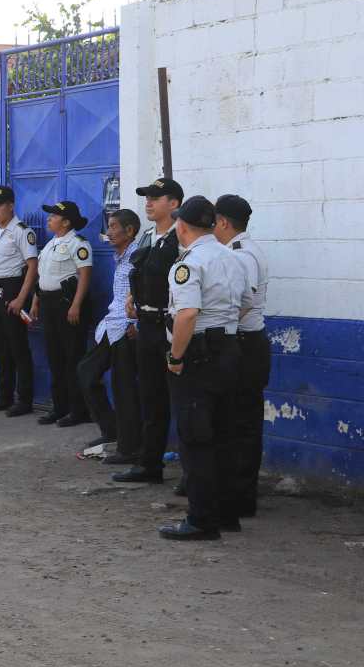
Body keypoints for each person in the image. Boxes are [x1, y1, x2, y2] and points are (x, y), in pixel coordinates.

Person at [156, 196, 248, 540]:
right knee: (225, 436)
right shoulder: (232, 257)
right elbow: (247, 304)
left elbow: (187, 314)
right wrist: (221, 329)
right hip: (228, 350)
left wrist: (177, 357)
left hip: (197, 357)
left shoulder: (189, 263)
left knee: (196, 439)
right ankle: (226, 514)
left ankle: (201, 520)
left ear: (181, 226)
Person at [114, 178, 184, 485]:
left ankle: (190, 474)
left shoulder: (182, 237)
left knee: (181, 400)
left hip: (171, 327)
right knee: (151, 398)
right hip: (146, 325)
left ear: (174, 203)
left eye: (157, 197)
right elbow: (137, 271)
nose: (149, 202)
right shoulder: (147, 237)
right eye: (147, 197)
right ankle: (149, 464)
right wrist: (133, 298)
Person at [213, 194, 270, 520]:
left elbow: (244, 299)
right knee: (239, 422)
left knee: (242, 424)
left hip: (245, 344)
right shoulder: (242, 251)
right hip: (247, 343)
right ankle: (238, 495)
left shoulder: (242, 255)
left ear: (223, 222)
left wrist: (220, 325)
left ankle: (240, 498)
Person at [77, 209, 142, 461]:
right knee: (86, 372)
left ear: (130, 231)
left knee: (125, 389)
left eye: (114, 226)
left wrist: (137, 324)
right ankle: (112, 430)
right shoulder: (121, 256)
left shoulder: (137, 256)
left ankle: (129, 447)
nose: (109, 231)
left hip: (126, 329)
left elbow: (143, 293)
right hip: (112, 326)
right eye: (109, 226)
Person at [31, 201, 93, 427]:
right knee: (55, 358)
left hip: (67, 304)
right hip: (48, 304)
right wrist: (36, 301)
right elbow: (43, 276)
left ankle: (78, 410)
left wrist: (76, 304)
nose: (49, 219)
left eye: (54, 216)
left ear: (66, 222)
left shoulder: (78, 243)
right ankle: (59, 408)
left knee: (72, 358)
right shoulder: (50, 245)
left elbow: (84, 275)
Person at [0, 186, 38, 417]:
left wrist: (22, 298)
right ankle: (4, 397)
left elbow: (32, 266)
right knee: (1, 348)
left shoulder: (22, 231)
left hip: (13, 289)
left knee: (18, 348)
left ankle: (24, 400)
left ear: (11, 205)